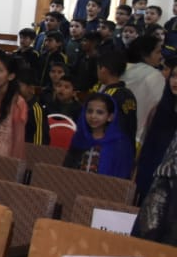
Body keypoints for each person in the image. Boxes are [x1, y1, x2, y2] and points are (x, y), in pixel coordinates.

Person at [63, 93, 134, 179]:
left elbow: (122, 177)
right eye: (89, 111)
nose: (93, 116)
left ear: (110, 117)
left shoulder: (120, 143)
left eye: (100, 112)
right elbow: (67, 170)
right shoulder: (80, 138)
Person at [135, 68, 177, 201]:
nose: (175, 81)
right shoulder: (159, 109)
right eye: (173, 76)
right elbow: (148, 144)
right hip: (151, 174)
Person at [124, 35, 165, 146]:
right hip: (137, 138)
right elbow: (160, 109)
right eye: (158, 52)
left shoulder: (119, 69)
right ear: (144, 54)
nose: (161, 56)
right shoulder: (154, 75)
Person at [0, 55, 28, 160]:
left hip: (4, 161)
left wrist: (13, 165)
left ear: (11, 76)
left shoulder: (18, 103)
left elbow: (18, 140)